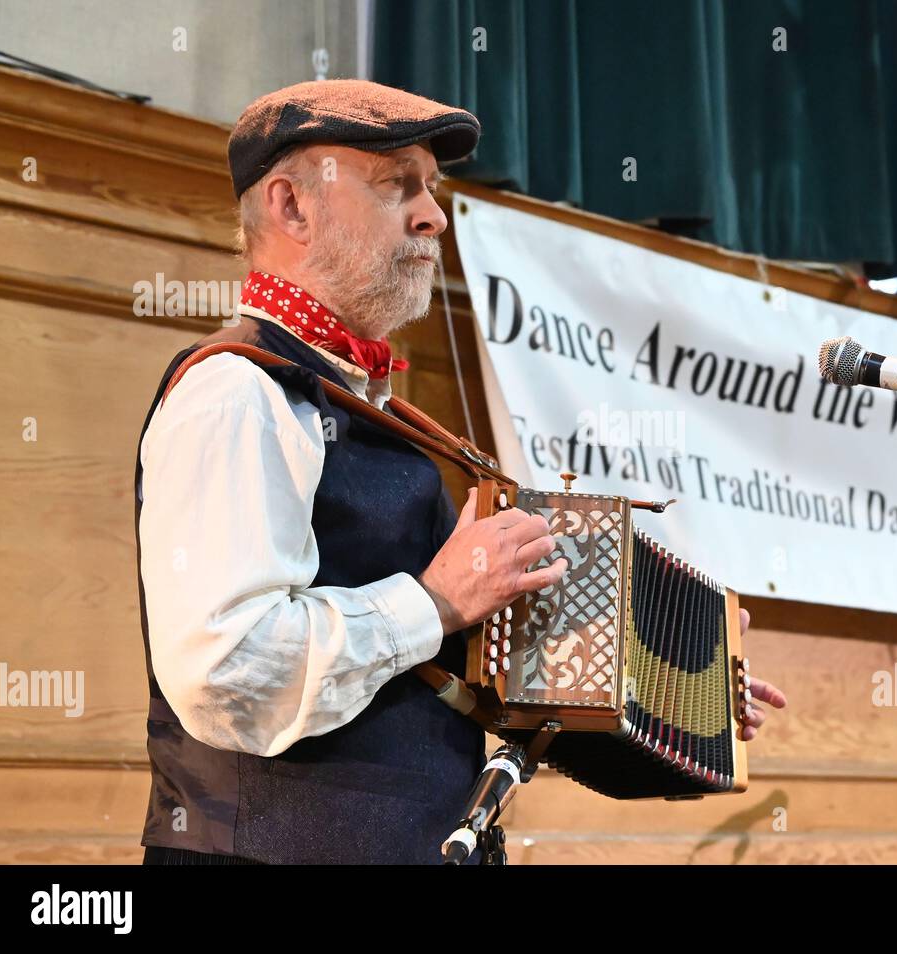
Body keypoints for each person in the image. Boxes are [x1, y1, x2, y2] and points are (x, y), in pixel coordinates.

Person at [133, 79, 784, 864]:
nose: (431, 214)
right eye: (394, 184)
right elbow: (226, 668)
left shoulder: (365, 408)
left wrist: (693, 688)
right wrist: (436, 600)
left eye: (431, 189)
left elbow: (471, 683)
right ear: (292, 207)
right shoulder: (236, 392)